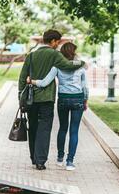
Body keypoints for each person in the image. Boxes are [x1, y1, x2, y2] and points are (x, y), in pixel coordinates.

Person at [18, 30, 84, 170]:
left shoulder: (31, 55)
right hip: (47, 98)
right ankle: (41, 161)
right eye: (57, 42)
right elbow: (67, 66)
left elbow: (23, 77)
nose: (58, 45)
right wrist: (81, 63)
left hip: (31, 98)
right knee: (45, 128)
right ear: (53, 41)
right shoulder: (55, 55)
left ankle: (34, 158)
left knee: (33, 127)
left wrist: (20, 96)